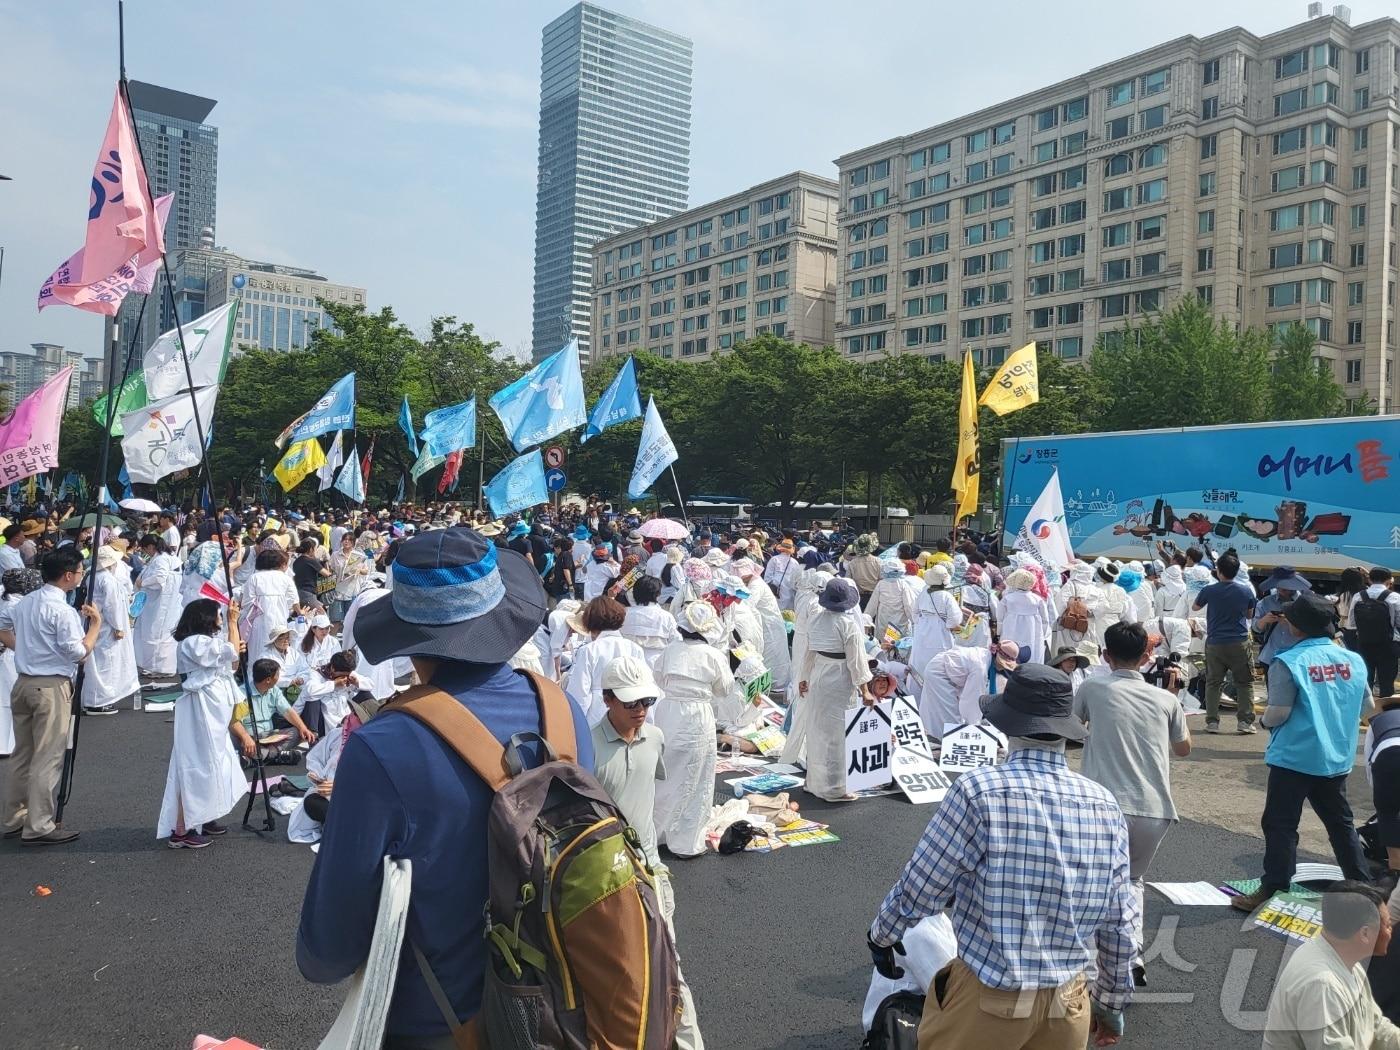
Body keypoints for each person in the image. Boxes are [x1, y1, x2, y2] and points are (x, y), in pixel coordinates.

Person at [297, 528, 594, 1047]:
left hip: (440, 1022)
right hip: (564, 1007)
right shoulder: (562, 711)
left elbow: (328, 947)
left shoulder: (384, 744)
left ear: (409, 633)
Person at [868, 664, 1136, 1050]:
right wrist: (1111, 1002)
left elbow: (922, 886)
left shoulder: (978, 791)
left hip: (990, 997)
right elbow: (1119, 920)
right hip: (1067, 1001)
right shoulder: (1104, 805)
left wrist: (882, 934)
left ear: (1007, 725)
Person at [1231, 592, 1375, 913]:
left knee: (1281, 824)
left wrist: (1264, 721)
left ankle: (1274, 885)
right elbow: (1366, 707)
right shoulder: (1352, 659)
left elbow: (1278, 712)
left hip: (1294, 758)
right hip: (1336, 757)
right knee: (1341, 823)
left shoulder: (1289, 662)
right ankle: (1362, 885)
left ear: (1296, 626)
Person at [590, 655, 705, 1049]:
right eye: (631, 703)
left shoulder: (654, 738)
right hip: (607, 878)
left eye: (647, 703)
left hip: (651, 870)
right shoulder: (586, 750)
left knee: (670, 965)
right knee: (620, 974)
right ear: (607, 699)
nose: (641, 711)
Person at [1073, 622, 1191, 983]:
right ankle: (1131, 956)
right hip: (1155, 808)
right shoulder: (1167, 700)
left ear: (1105, 656)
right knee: (1131, 881)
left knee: (1092, 880)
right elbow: (1184, 748)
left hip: (1102, 805)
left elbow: (1072, 729)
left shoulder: (1092, 687)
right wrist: (1174, 696)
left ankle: (1091, 964)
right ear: (1147, 656)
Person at [0, 549, 101, 845]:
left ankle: (13, 818)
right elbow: (78, 653)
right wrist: (95, 626)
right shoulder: (62, 610)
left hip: (24, 683)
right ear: (68, 575)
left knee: (22, 755)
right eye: (80, 572)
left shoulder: (25, 602)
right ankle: (40, 824)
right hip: (50, 686)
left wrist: (26, 648)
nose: (81, 576)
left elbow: (3, 624)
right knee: (48, 757)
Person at [155, 598, 255, 849]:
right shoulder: (193, 642)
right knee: (197, 764)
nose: (222, 618)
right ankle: (182, 828)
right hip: (201, 710)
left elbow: (231, 664)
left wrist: (233, 634)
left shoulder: (207, 642)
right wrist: (234, 622)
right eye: (219, 615)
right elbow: (231, 654)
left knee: (217, 762)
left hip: (214, 709)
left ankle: (205, 814)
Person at [1263, 881, 1400, 1048]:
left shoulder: (1346, 959)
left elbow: (1375, 1025)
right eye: (1386, 925)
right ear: (1365, 933)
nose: (1391, 930)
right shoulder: (1322, 985)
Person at [653, 601, 733, 859]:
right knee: (697, 777)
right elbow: (725, 689)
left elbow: (658, 678)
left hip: (669, 712)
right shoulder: (713, 655)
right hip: (698, 715)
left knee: (666, 772)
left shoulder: (670, 650)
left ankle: (659, 832)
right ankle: (686, 840)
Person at [797, 578, 874, 803]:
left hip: (819, 673)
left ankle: (814, 782)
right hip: (839, 678)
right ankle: (835, 787)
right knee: (838, 734)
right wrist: (865, 690)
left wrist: (804, 677)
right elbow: (857, 661)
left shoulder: (816, 620)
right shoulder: (848, 625)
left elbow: (808, 652)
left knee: (817, 730)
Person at [1192, 551, 1258, 734]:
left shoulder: (1209, 590)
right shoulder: (1246, 590)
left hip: (1215, 642)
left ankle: (1212, 722)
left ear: (1218, 570)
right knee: (1244, 682)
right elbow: (1249, 615)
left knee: (1213, 682)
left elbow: (1195, 607)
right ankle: (1245, 721)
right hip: (1239, 640)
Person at [566, 596, 646, 727]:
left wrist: (575, 725)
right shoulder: (634, 648)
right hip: (629, 708)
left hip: (597, 713)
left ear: (590, 622)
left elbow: (579, 694)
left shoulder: (588, 650)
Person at [80, 544, 140, 715]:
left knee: (97, 661)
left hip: (97, 623)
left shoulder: (93, 575)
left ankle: (93, 698)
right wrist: (119, 626)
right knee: (107, 662)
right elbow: (111, 605)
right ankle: (99, 700)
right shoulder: (106, 579)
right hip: (106, 625)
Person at [919, 640, 1020, 738]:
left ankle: (938, 738)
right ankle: (945, 742)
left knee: (942, 713)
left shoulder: (985, 657)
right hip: (939, 673)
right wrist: (974, 729)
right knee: (949, 718)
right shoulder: (980, 668)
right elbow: (971, 702)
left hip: (947, 672)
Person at [133, 534, 183, 678]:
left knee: (156, 633)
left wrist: (143, 583)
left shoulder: (161, 560)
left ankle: (158, 667)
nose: (145, 552)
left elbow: (160, 578)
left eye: (144, 549)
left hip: (160, 604)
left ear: (150, 547)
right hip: (163, 603)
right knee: (161, 634)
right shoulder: (169, 558)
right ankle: (157, 666)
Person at [240, 548, 300, 663]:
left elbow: (246, 603)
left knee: (257, 653)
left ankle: (255, 678)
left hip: (258, 622)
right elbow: (293, 600)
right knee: (278, 651)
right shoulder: (285, 578)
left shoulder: (254, 578)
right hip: (280, 620)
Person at [909, 565, 963, 676]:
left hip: (922, 633)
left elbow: (914, 613)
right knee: (940, 665)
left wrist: (923, 622)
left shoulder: (923, 593)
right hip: (940, 634)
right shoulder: (947, 596)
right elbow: (954, 620)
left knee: (921, 662)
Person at [1356, 567, 1400, 699]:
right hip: (1388, 646)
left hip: (1364, 644)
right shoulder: (1395, 597)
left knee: (1366, 681)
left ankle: (1365, 715)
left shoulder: (1358, 596)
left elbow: (1352, 624)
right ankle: (1386, 714)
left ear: (1369, 579)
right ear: (1388, 580)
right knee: (1387, 683)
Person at [620, 575, 681, 669]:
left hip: (628, 664)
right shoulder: (665, 616)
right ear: (657, 595)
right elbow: (676, 642)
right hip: (656, 665)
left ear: (635, 593)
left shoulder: (623, 614)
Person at [997, 568, 1052, 664]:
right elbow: (1045, 620)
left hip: (1010, 629)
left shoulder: (1008, 599)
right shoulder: (1037, 599)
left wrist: (999, 633)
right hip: (1033, 631)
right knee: (1032, 656)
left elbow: (1000, 618)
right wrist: (1041, 634)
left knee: (1009, 654)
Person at [866, 558, 917, 638]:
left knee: (885, 647)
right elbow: (909, 606)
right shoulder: (903, 584)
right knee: (898, 647)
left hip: (884, 622)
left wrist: (866, 620)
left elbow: (872, 605)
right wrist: (915, 621)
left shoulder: (881, 584)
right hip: (899, 623)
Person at [327, 531, 369, 623]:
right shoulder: (335, 555)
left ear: (353, 542)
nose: (346, 542)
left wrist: (358, 570)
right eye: (345, 539)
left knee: (350, 620)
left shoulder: (359, 556)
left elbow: (366, 571)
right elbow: (330, 570)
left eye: (349, 540)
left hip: (352, 591)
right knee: (335, 620)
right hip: (337, 590)